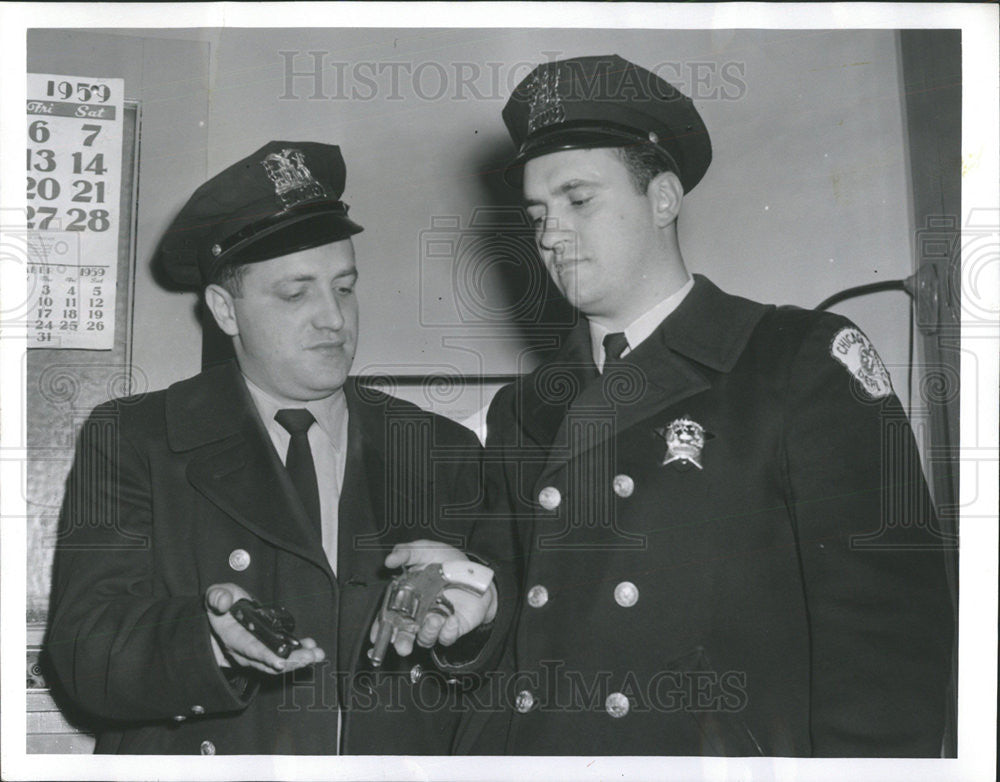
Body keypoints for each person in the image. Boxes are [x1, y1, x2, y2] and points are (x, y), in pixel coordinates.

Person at [453, 55, 955, 756]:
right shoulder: (523, 409)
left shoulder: (793, 360)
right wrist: (467, 618)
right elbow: (511, 629)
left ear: (663, 199)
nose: (549, 234)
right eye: (537, 212)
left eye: (578, 200)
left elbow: (891, 638)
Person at [45, 141, 499, 755]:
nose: (333, 319)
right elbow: (83, 654)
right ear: (224, 311)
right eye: (296, 294)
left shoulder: (441, 449)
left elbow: (501, 680)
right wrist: (208, 643)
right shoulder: (137, 439)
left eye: (344, 287)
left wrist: (476, 626)